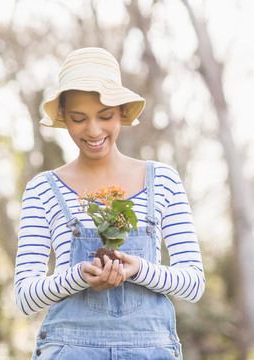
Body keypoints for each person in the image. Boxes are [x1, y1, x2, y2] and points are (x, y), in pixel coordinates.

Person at [14, 47, 204, 359]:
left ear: (121, 112)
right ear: (64, 117)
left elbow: (193, 284)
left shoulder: (163, 181)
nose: (93, 130)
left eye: (105, 116)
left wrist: (139, 269)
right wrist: (78, 276)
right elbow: (24, 298)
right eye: (78, 119)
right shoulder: (42, 190)